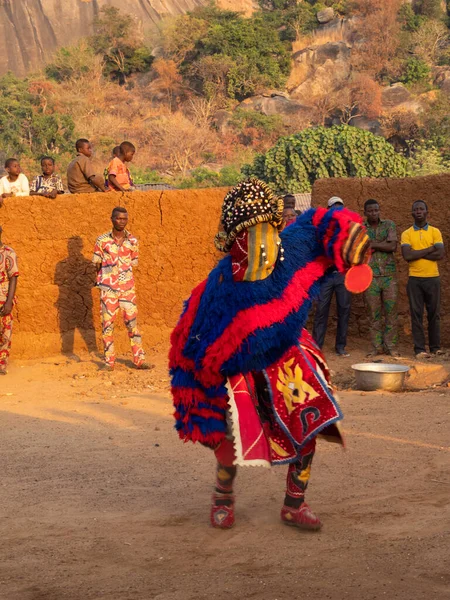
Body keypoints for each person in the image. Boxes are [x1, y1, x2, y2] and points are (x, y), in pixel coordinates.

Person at [169, 179, 371, 531]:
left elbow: (322, 222)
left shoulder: (294, 246)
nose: (257, 240)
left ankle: (295, 503)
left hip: (287, 357)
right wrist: (202, 404)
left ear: (275, 227)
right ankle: (222, 496)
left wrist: (349, 239)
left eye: (264, 229)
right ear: (233, 239)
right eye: (248, 232)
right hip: (239, 370)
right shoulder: (216, 288)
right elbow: (189, 348)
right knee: (229, 438)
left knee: (309, 422)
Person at [92, 207, 150, 371]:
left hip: (127, 290)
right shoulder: (101, 241)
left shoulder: (133, 241)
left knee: (132, 325)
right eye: (119, 218)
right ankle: (109, 362)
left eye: (125, 219)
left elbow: (133, 263)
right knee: (107, 326)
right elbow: (96, 263)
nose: (122, 221)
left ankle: (139, 360)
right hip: (108, 290)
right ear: (112, 219)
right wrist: (102, 281)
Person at [401, 200, 445, 359]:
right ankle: (419, 349)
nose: (418, 211)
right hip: (415, 280)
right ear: (412, 213)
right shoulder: (406, 233)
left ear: (427, 212)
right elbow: (407, 256)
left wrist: (417, 253)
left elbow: (440, 254)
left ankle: (435, 348)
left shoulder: (435, 231)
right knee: (416, 314)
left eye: (421, 209)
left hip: (433, 278)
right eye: (415, 209)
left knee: (434, 314)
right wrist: (430, 249)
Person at [312, 196, 352, 357]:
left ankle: (340, 347)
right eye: (334, 208)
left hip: (342, 275)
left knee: (344, 310)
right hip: (326, 277)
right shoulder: (322, 230)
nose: (337, 211)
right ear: (328, 210)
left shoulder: (348, 230)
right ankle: (317, 347)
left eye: (340, 208)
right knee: (321, 311)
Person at [363, 199, 399, 358]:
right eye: (370, 211)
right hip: (370, 277)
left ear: (379, 211)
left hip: (389, 277)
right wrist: (381, 244)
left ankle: (391, 346)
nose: (373, 213)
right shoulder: (361, 229)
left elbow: (392, 247)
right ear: (365, 213)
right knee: (373, 314)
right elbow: (361, 247)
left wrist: (372, 245)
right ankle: (376, 347)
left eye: (376, 210)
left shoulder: (389, 225)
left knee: (391, 313)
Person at [0, 225, 19, 375]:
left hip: (3, 297)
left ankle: (2, 364)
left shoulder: (8, 253)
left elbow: (13, 277)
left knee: (5, 333)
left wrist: (8, 302)